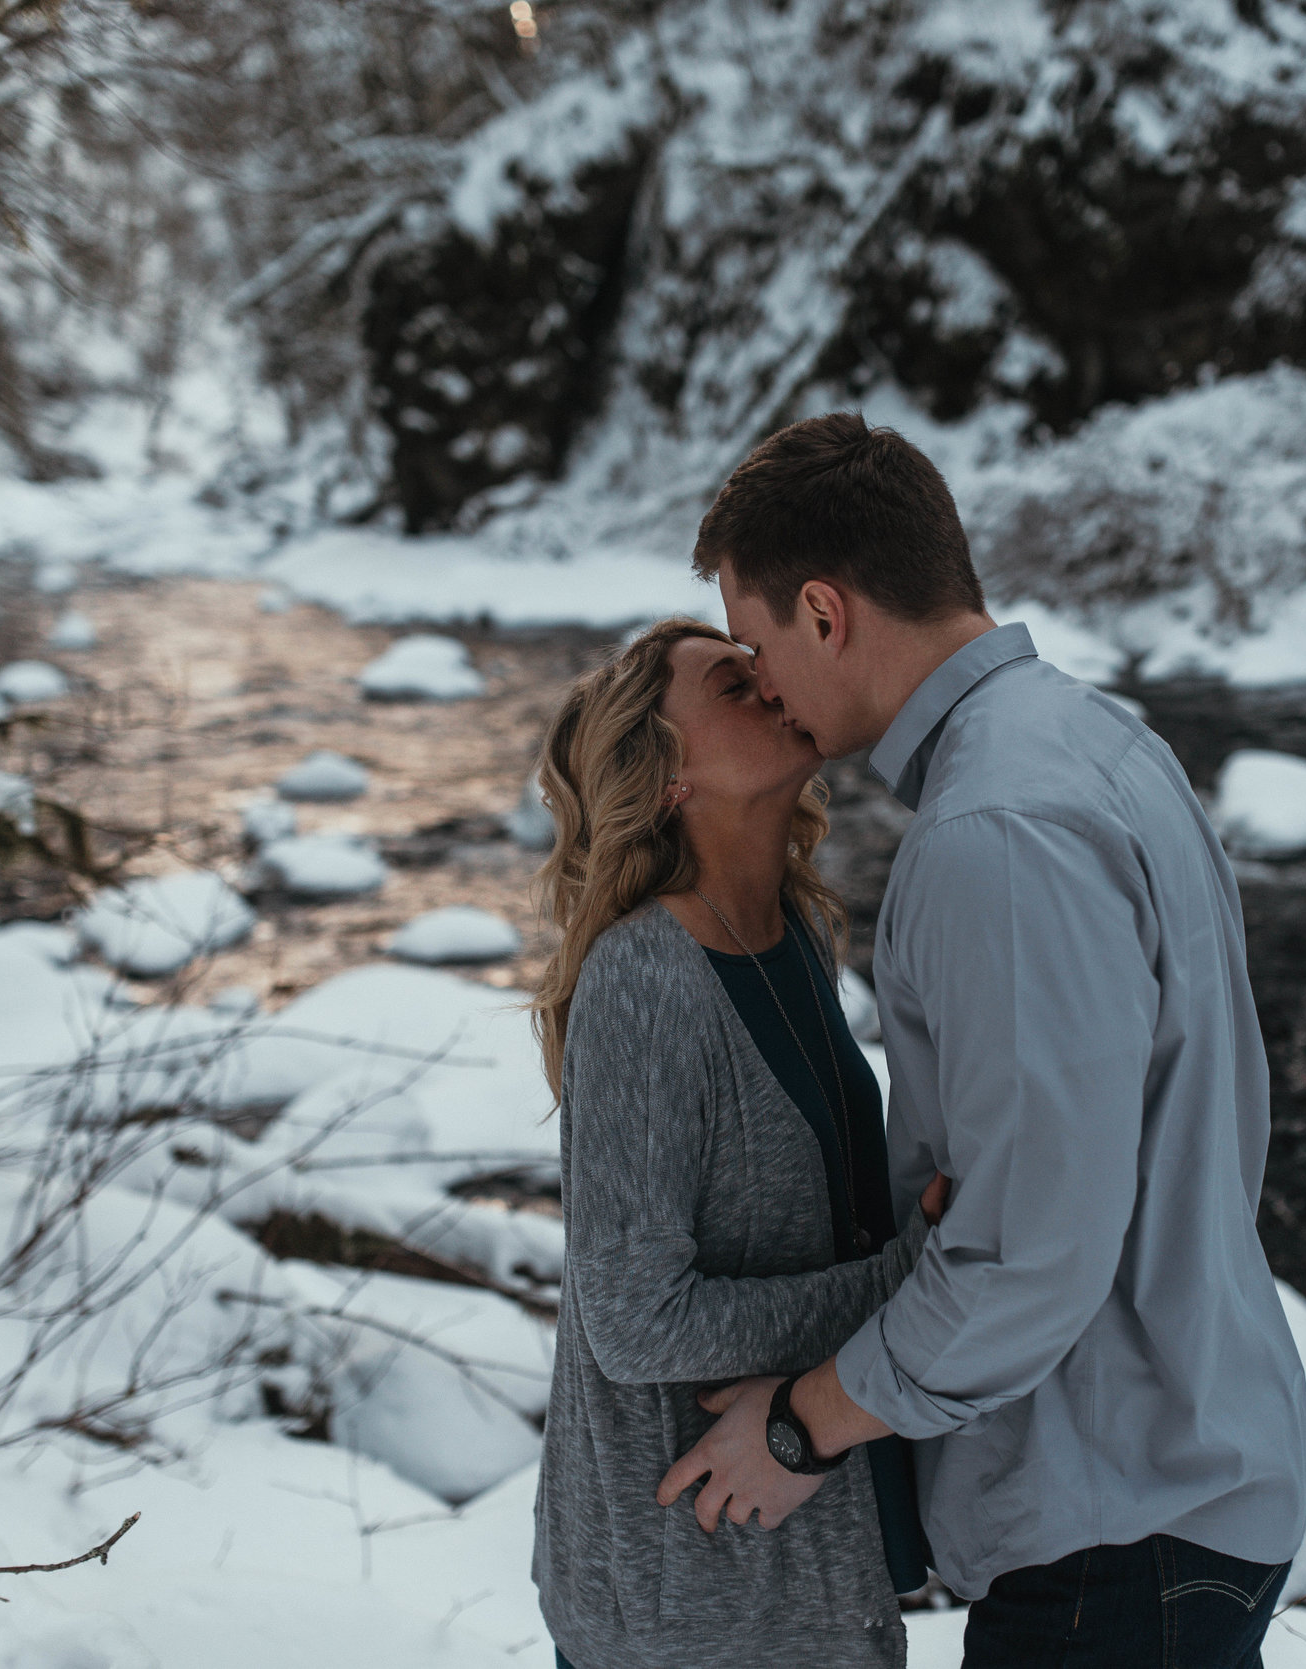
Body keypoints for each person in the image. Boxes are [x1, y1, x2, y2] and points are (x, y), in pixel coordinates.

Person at [659, 413, 1306, 1669]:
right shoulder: (1098, 742)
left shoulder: (993, 835)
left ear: (824, 609)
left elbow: (1031, 1252)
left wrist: (805, 1425)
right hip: (1178, 1480)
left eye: (757, 645)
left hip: (1117, 1523)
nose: (765, 685)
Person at [528, 616, 951, 1669]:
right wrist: (911, 1280)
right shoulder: (646, 977)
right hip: (686, 1603)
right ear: (667, 775)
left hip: (797, 1571)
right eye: (731, 683)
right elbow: (635, 1319)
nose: (771, 683)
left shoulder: (791, 938)